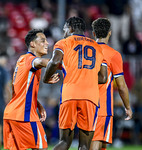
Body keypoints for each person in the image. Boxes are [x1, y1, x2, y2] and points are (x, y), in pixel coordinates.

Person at [43, 16, 107, 150]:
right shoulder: (97, 46)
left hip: (70, 94)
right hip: (90, 97)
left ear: (70, 28)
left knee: (64, 141)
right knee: (84, 145)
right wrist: (87, 76)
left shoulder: (63, 43)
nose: (63, 32)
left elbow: (54, 62)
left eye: (64, 29)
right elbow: (103, 78)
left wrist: (46, 78)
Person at [3, 29, 60, 150]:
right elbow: (43, 61)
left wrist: (37, 104)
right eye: (43, 41)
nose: (47, 43)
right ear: (32, 44)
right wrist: (66, 64)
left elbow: (20, 89)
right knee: (41, 147)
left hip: (11, 113)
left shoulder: (22, 60)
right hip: (24, 115)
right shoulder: (30, 59)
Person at [90, 18, 133, 150]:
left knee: (100, 141)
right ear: (110, 33)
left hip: (84, 102)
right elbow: (121, 85)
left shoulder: (86, 51)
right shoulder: (113, 54)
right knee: (97, 140)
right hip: (102, 105)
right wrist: (128, 107)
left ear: (94, 34)